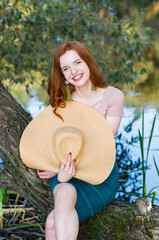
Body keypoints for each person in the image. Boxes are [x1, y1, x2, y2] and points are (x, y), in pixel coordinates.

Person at [37, 41, 124, 240]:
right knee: (63, 194)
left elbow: (104, 145)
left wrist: (61, 167)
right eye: (66, 68)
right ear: (63, 76)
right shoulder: (62, 102)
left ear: (88, 62)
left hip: (99, 173)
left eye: (77, 62)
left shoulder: (113, 97)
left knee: (51, 225)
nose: (73, 71)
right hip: (66, 172)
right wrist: (54, 168)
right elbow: (54, 142)